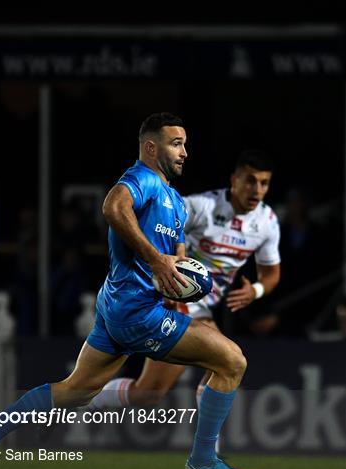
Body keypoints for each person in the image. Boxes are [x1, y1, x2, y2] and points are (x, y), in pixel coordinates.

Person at [0, 112, 252, 469]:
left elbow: (176, 261)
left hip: (123, 307)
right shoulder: (140, 179)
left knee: (75, 390)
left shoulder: (176, 202)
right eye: (175, 143)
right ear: (151, 147)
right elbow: (113, 209)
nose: (184, 152)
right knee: (232, 361)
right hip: (135, 310)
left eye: (185, 144)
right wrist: (155, 258)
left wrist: (184, 283)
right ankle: (202, 460)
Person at [88, 149, 281, 411]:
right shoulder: (202, 206)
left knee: (148, 395)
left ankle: (80, 401)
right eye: (250, 180)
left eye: (264, 183)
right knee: (229, 363)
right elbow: (155, 226)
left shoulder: (267, 222)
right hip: (174, 300)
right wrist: (160, 272)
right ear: (234, 180)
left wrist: (256, 291)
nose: (256, 189)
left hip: (200, 305)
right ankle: (207, 452)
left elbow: (271, 274)